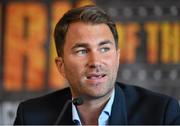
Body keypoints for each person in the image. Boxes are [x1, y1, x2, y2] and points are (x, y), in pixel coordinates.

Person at [14, 5, 180, 125]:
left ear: (117, 57)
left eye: (104, 49)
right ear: (61, 65)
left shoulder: (161, 114)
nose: (95, 62)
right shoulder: (30, 117)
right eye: (82, 51)